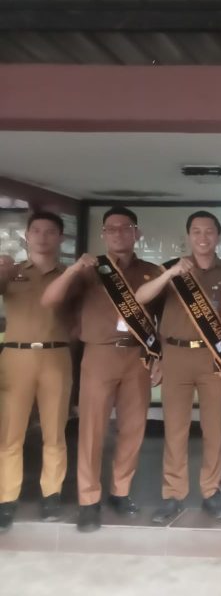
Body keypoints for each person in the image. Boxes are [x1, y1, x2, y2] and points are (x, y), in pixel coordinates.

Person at [41, 206, 161, 532]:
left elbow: (163, 317)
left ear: (137, 233)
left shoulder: (151, 271)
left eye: (125, 228)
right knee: (92, 429)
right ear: (103, 234)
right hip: (98, 355)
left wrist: (160, 356)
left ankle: (120, 491)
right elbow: (50, 301)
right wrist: (72, 269)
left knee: (133, 429)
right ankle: (88, 499)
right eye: (111, 228)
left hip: (138, 356)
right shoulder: (89, 270)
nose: (118, 233)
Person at [134, 211, 221, 524]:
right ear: (188, 236)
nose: (203, 237)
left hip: (213, 359)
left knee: (214, 429)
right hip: (175, 356)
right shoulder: (169, 269)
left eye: (209, 232)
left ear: (218, 236)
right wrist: (170, 274)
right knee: (175, 429)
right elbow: (141, 300)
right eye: (196, 231)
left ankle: (211, 490)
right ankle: (173, 493)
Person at [0, 212, 73, 532]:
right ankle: (6, 498)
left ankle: (51, 494)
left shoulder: (69, 275)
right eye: (37, 231)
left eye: (50, 231)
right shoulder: (11, 271)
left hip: (56, 356)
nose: (43, 237)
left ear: (61, 238)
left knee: (54, 431)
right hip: (15, 356)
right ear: (27, 236)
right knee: (9, 433)